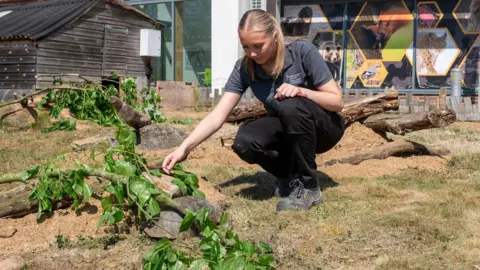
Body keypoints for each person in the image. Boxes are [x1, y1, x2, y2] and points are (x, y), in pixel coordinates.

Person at [162, 9, 345, 212]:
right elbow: (218, 115)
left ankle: (309, 187)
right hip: (289, 127)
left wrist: (301, 91)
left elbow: (337, 102)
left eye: (259, 46)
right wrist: (183, 148)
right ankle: (290, 177)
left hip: (325, 128)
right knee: (245, 142)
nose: (252, 53)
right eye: (246, 47)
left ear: (275, 36)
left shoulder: (301, 51)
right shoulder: (244, 68)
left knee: (290, 103)